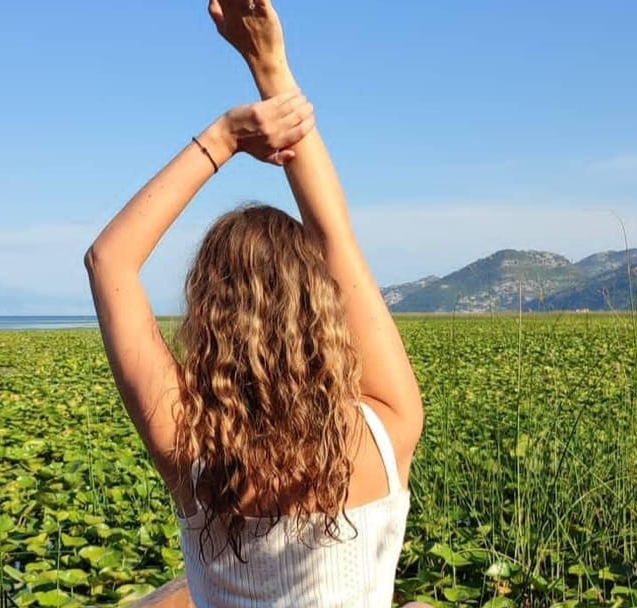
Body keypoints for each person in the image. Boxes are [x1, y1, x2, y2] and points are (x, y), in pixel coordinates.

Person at [85, 0, 425, 605]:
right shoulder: (386, 427)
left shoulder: (190, 450)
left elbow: (109, 261)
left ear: (209, 319)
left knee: (166, 598)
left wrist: (223, 138)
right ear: (323, 311)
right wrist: (271, 67)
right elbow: (333, 235)